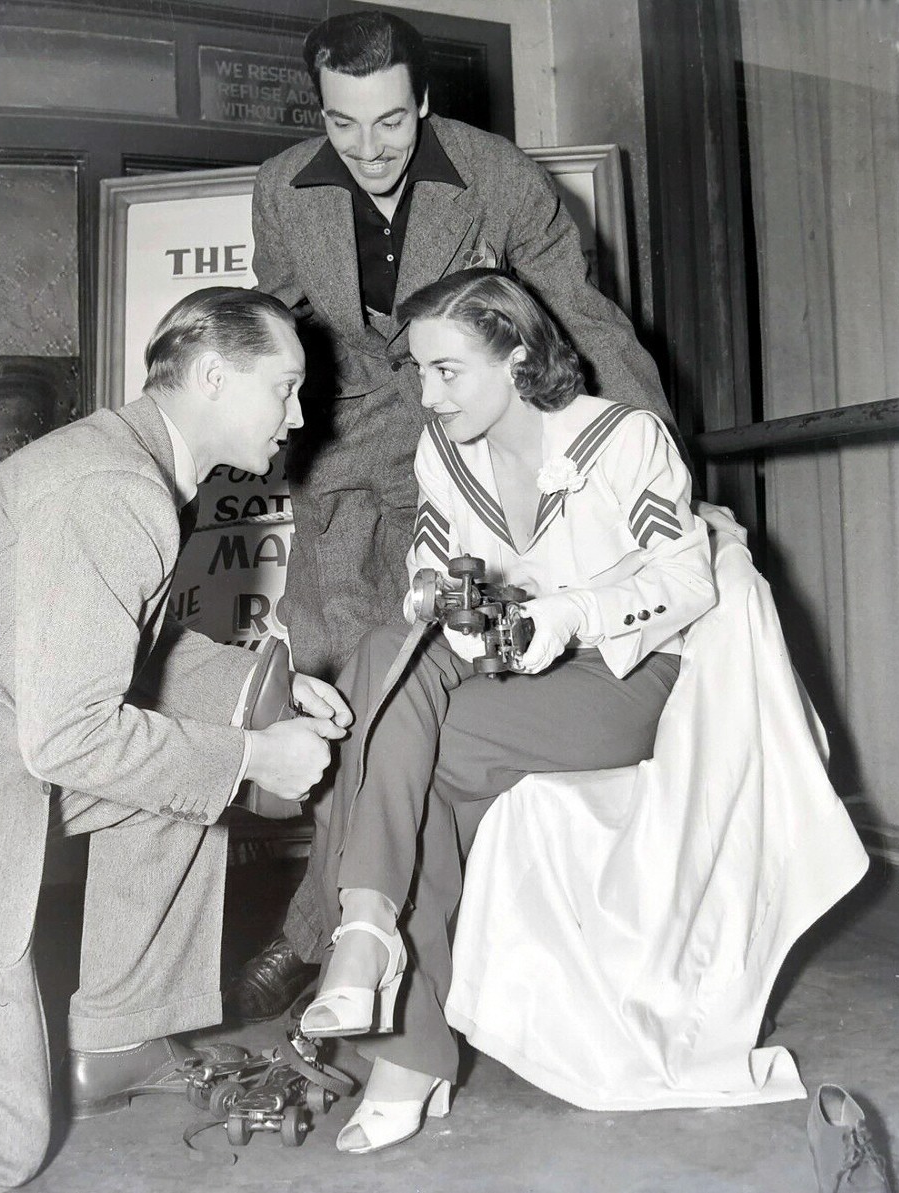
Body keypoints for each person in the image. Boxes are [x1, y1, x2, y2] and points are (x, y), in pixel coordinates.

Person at [234, 5, 686, 1020]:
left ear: (423, 101)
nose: (368, 148)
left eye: (389, 122)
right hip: (340, 460)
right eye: (343, 125)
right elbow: (284, 324)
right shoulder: (278, 187)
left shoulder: (495, 174)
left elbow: (584, 315)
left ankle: (325, 936)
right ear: (320, 111)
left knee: (391, 687)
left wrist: (658, 465)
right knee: (334, 693)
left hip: (460, 455)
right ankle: (361, 927)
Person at [295, 268, 716, 1154]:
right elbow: (430, 563)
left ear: (518, 359)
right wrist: (434, 597)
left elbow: (685, 580)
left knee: (387, 750)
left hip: (617, 679)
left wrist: (568, 611)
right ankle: (378, 955)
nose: (426, 393)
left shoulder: (621, 439)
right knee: (388, 666)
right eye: (417, 371)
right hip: (497, 674)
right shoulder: (441, 452)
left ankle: (381, 985)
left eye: (448, 371)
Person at [0, 286, 352, 1189]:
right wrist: (253, 757)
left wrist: (266, 692)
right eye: (285, 388)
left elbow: (133, 654)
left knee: (188, 763)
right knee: (9, 1151)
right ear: (214, 377)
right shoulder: (114, 490)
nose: (297, 415)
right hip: (13, 768)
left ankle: (118, 1033)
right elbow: (69, 736)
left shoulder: (127, 464)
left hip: (8, 742)